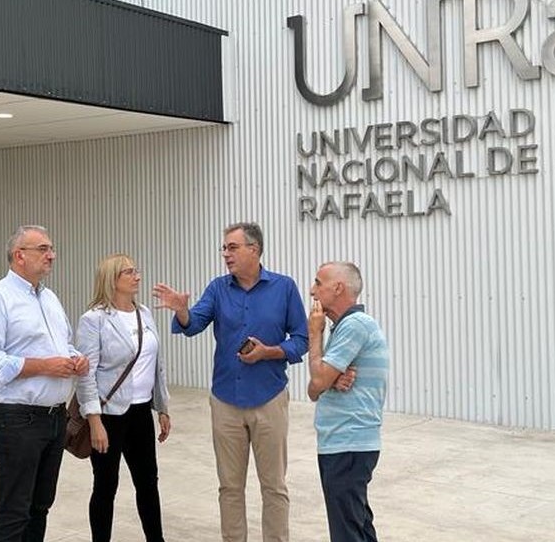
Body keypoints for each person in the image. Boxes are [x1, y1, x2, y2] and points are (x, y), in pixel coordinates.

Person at [151, 222, 307, 542]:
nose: (226, 254)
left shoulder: (284, 287)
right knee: (230, 487)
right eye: (224, 248)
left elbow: (302, 339)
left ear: (255, 249)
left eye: (232, 248)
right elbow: (193, 324)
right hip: (226, 402)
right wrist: (182, 311)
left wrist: (269, 352)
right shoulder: (218, 288)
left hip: (270, 399)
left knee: (274, 486)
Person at [0, 225, 88, 542]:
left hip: (54, 418)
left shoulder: (49, 298)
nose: (52, 255)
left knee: (40, 507)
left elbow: (61, 345)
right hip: (17, 420)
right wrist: (42, 367)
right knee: (13, 510)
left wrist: (75, 358)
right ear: (19, 255)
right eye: (44, 249)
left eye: (52, 248)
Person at [75, 254, 172, 542]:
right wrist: (93, 420)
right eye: (129, 272)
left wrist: (162, 408)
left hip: (141, 412)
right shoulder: (94, 320)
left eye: (136, 270)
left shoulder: (144, 313)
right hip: (108, 416)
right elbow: (86, 374)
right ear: (112, 280)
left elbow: (157, 364)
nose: (137, 276)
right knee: (106, 486)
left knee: (148, 483)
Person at [306, 262, 389, 542]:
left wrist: (314, 334)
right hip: (345, 444)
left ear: (338, 287)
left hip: (348, 442)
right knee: (358, 528)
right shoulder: (343, 329)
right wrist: (328, 380)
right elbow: (315, 389)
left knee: (347, 533)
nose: (312, 290)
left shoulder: (354, 326)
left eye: (318, 283)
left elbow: (316, 382)